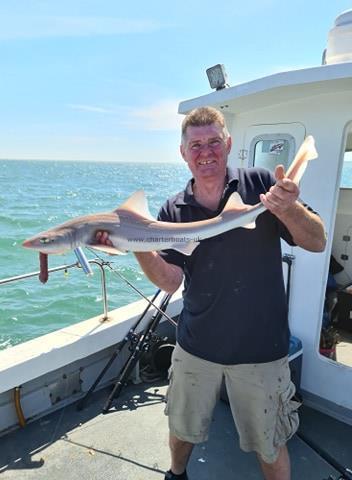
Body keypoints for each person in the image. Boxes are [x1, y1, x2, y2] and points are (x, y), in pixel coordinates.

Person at [97, 106, 326, 480]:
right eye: (196, 145)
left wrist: (290, 209)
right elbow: (171, 281)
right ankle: (176, 475)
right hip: (196, 346)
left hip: (261, 349)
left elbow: (316, 242)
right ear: (183, 152)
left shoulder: (260, 184)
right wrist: (136, 242)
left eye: (214, 142)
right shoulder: (173, 208)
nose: (206, 152)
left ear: (229, 144)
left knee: (269, 444)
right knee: (181, 431)